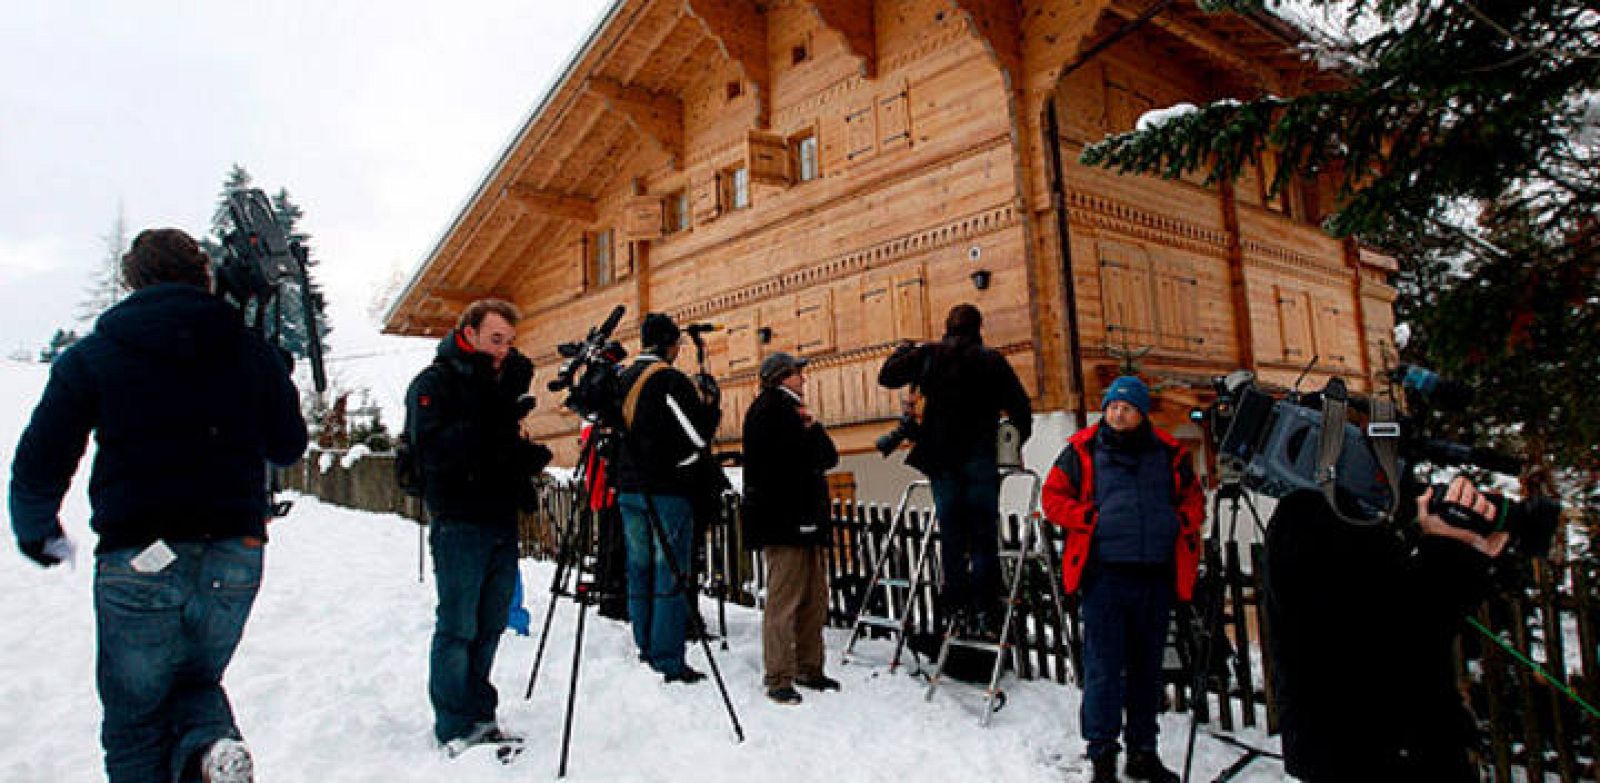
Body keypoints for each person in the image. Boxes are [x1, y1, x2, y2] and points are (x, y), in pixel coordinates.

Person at [8, 228, 307, 783]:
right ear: (204, 276)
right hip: (235, 550)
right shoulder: (247, 351)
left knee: (135, 714)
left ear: (132, 282)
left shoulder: (94, 355)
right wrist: (272, 377)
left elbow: (42, 458)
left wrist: (36, 529)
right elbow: (288, 445)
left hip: (139, 553)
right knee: (196, 682)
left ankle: (198, 755)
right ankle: (210, 750)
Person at [1265, 478, 1507, 782]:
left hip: (1398, 750)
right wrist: (1451, 554)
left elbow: (1423, 625)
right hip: (1365, 757)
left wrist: (1469, 553)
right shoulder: (1310, 516)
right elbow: (1389, 643)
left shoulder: (1362, 509)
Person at [1041, 375, 1204, 783]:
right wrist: (1087, 519)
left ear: (1141, 413)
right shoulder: (1082, 451)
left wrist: (1180, 521)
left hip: (1154, 575)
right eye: (1113, 405)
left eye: (1126, 407)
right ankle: (1102, 757)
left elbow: (1194, 497)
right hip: (1105, 576)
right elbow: (1052, 497)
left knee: (1147, 670)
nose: (1117, 413)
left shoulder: (1169, 452)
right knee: (1103, 669)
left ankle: (1142, 752)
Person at [404, 298, 549, 756]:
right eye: (495, 340)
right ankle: (453, 722)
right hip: (459, 521)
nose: (503, 350)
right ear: (467, 333)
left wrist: (524, 459)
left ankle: (481, 714)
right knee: (458, 626)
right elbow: (434, 451)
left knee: (490, 624)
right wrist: (492, 418)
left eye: (509, 341)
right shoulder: (435, 383)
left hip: (499, 518)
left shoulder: (499, 382)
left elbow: (498, 447)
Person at [877, 303, 1032, 637]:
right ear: (979, 327)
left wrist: (904, 350)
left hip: (942, 458)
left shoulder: (931, 354)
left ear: (947, 327)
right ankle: (986, 611)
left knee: (951, 536)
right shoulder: (992, 361)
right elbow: (1021, 408)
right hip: (979, 457)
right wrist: (1014, 442)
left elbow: (887, 376)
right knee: (983, 537)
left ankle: (956, 609)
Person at [612, 313, 720, 683]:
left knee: (638, 571)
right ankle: (668, 657)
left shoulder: (622, 378)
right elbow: (696, 435)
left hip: (629, 487)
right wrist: (709, 407)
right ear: (669, 344)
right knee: (670, 575)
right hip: (667, 488)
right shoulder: (669, 379)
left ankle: (645, 645)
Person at [741, 352, 841, 705]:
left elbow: (823, 457)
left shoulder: (778, 410)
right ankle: (783, 674)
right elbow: (821, 458)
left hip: (794, 519)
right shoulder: (777, 411)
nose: (804, 377)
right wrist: (813, 430)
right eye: (798, 372)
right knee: (788, 600)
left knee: (813, 595)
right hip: (787, 520)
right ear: (783, 377)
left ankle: (807, 667)